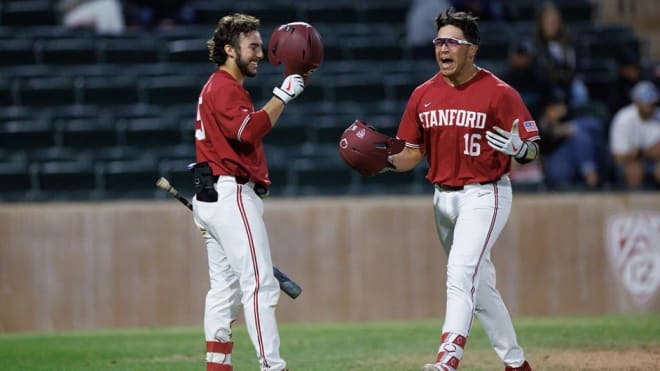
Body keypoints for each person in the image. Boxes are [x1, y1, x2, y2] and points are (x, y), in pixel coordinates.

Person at [385, 9, 537, 371]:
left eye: (452, 42)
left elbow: (532, 147)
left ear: (472, 49)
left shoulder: (500, 93)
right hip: (443, 199)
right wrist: (381, 162)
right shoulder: (423, 94)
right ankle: (516, 364)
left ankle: (447, 358)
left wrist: (522, 149)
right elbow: (409, 154)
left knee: (460, 272)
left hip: (486, 193)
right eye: (439, 41)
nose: (443, 49)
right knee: (480, 288)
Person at [191, 13, 305, 371]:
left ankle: (217, 365)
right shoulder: (223, 86)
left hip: (213, 197)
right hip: (231, 194)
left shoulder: (220, 86)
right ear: (229, 49)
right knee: (259, 285)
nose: (260, 54)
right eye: (252, 46)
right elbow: (247, 131)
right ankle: (272, 366)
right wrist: (282, 96)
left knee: (224, 290)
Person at [537, 89, 604, 190]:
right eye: (560, 106)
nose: (564, 108)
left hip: (568, 164)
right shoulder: (539, 121)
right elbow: (543, 136)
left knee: (586, 129)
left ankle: (590, 170)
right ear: (550, 109)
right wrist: (561, 131)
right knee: (578, 132)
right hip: (550, 168)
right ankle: (590, 172)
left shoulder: (564, 120)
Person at [532, 1, 589, 109]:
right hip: (545, 87)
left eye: (555, 20)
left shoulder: (570, 44)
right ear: (541, 23)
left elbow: (579, 67)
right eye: (548, 21)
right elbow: (538, 74)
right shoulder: (535, 45)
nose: (552, 24)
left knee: (579, 89)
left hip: (568, 86)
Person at [609, 80, 660, 189]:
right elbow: (618, 158)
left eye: (653, 102)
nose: (651, 105)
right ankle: (634, 203)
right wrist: (644, 153)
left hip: (654, 162)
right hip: (628, 164)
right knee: (634, 168)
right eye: (647, 102)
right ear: (636, 102)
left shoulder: (658, 115)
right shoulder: (623, 118)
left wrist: (640, 152)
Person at [57, 0, 125, 34]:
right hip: (72, 16)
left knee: (109, 5)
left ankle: (116, 44)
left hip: (98, 12)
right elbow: (64, 7)